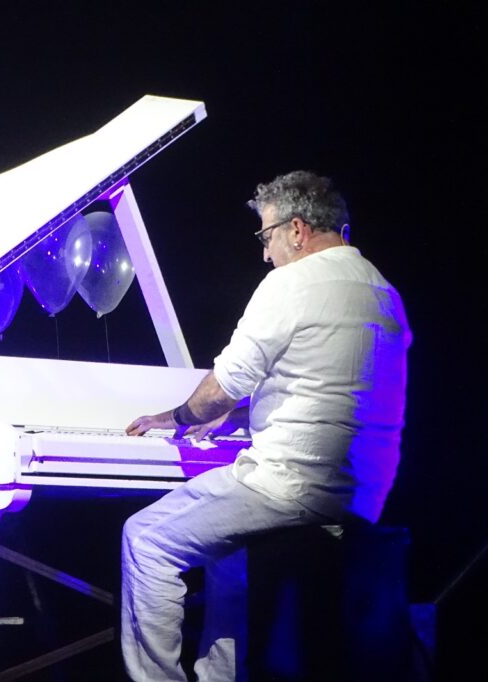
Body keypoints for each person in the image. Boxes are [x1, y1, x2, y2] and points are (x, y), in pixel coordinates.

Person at [120, 170, 410, 681]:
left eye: (266, 236)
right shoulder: (382, 290)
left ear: (297, 230)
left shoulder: (292, 283)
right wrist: (239, 413)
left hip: (292, 487)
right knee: (228, 552)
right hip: (365, 494)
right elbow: (330, 386)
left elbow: (219, 389)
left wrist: (176, 416)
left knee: (145, 539)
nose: (264, 253)